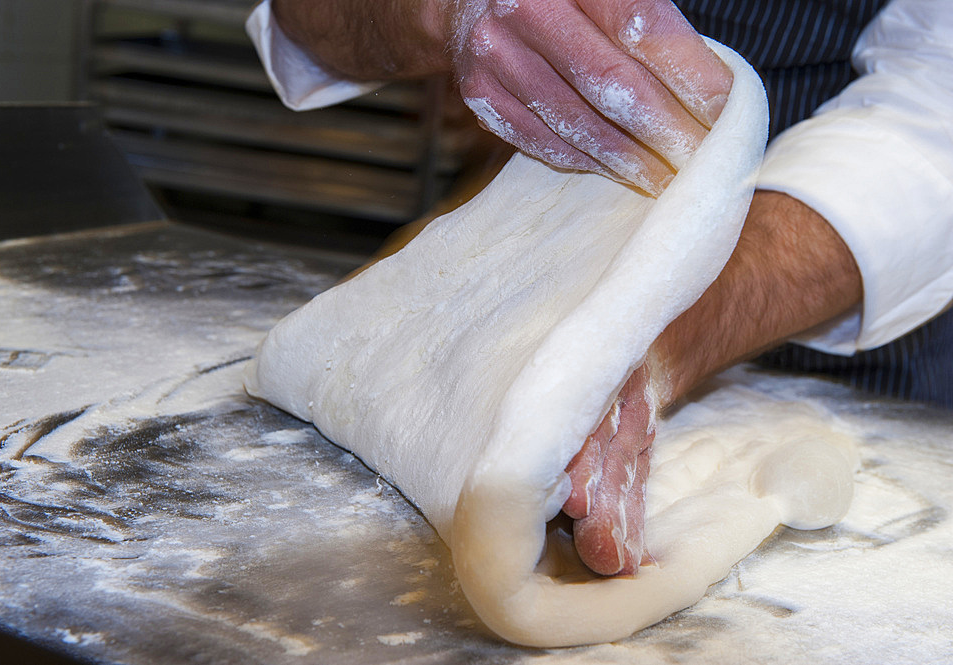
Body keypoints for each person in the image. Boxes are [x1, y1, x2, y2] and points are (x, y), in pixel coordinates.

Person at [246, 0, 953, 576]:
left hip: (838, 333)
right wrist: (441, 13)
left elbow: (935, 118)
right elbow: (308, 19)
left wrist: (638, 337)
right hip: (511, 257)